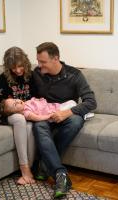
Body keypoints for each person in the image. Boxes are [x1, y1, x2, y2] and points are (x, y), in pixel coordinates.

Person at [32, 42, 97, 198]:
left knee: (76, 121)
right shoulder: (37, 73)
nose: (39, 66)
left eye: (43, 62)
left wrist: (67, 112)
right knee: (38, 126)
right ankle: (60, 175)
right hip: (45, 115)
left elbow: (91, 102)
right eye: (38, 61)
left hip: (67, 115)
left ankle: (43, 165)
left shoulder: (74, 75)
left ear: (56, 59)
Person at [0, 47, 36, 185]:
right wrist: (15, 109)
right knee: (19, 119)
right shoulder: (3, 79)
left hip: (28, 112)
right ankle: (24, 168)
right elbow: (0, 107)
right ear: (8, 67)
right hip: (9, 115)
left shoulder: (31, 76)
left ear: (25, 63)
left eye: (20, 66)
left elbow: (38, 98)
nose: (18, 70)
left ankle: (29, 168)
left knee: (29, 127)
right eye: (13, 68)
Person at [3, 97, 77, 121]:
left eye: (15, 99)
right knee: (72, 103)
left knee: (71, 103)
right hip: (53, 113)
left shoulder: (25, 104)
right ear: (16, 112)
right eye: (15, 104)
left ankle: (82, 112)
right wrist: (50, 115)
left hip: (53, 106)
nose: (18, 101)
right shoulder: (27, 113)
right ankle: (84, 114)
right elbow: (38, 118)